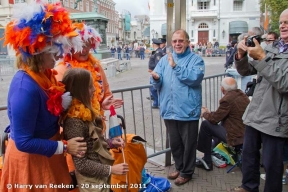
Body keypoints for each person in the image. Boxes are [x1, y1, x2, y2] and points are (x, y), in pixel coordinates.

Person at [0, 1, 87, 191]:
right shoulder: (25, 88)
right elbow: (23, 141)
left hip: (49, 154)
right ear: (38, 54)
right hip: (31, 161)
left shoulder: (45, 74)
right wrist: (64, 148)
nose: (58, 57)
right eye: (53, 52)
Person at [229, 9, 288, 192]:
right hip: (255, 114)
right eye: (281, 22)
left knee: (272, 166)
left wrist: (262, 57)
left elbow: (285, 83)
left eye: (287, 22)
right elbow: (246, 71)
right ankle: (248, 187)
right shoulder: (272, 47)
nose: (283, 25)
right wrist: (241, 55)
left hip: (276, 119)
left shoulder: (266, 52)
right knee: (249, 157)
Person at [150, 29, 205, 186]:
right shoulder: (164, 60)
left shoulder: (196, 60)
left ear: (187, 42)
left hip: (188, 111)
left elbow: (194, 78)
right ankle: (180, 167)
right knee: (175, 143)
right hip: (169, 109)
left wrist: (175, 67)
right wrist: (155, 79)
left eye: (180, 41)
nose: (177, 44)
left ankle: (187, 172)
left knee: (189, 144)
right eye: (174, 41)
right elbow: (157, 80)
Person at [61, 68, 129, 192]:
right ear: (79, 90)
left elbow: (92, 144)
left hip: (101, 179)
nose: (94, 89)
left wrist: (111, 143)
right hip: (92, 184)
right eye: (90, 86)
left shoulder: (86, 110)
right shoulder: (74, 122)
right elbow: (81, 164)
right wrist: (111, 170)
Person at [196, 77, 250, 171]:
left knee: (206, 125)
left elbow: (214, 120)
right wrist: (209, 113)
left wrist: (204, 113)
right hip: (246, 133)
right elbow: (221, 115)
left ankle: (207, 160)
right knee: (217, 126)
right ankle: (213, 152)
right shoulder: (242, 95)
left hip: (235, 136)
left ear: (222, 89)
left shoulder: (227, 100)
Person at [146, 38, 164, 108]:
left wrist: (154, 71)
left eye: (152, 44)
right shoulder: (155, 51)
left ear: (154, 44)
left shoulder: (158, 52)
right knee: (152, 88)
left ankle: (157, 102)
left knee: (153, 88)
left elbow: (158, 64)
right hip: (152, 72)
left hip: (155, 73)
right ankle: (156, 101)